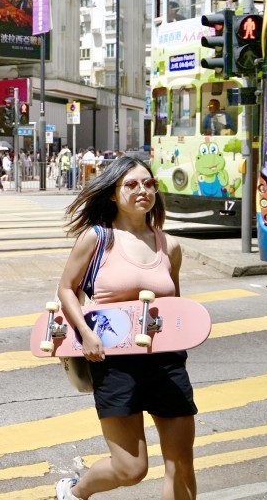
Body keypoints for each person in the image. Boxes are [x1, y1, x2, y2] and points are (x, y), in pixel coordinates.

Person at [55, 157, 196, 500]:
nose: (142, 190)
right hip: (113, 362)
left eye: (148, 184)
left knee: (181, 463)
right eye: (131, 185)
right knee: (131, 468)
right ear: (114, 194)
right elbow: (66, 288)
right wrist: (86, 334)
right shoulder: (97, 239)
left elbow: (174, 303)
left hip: (165, 361)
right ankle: (75, 492)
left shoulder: (169, 246)